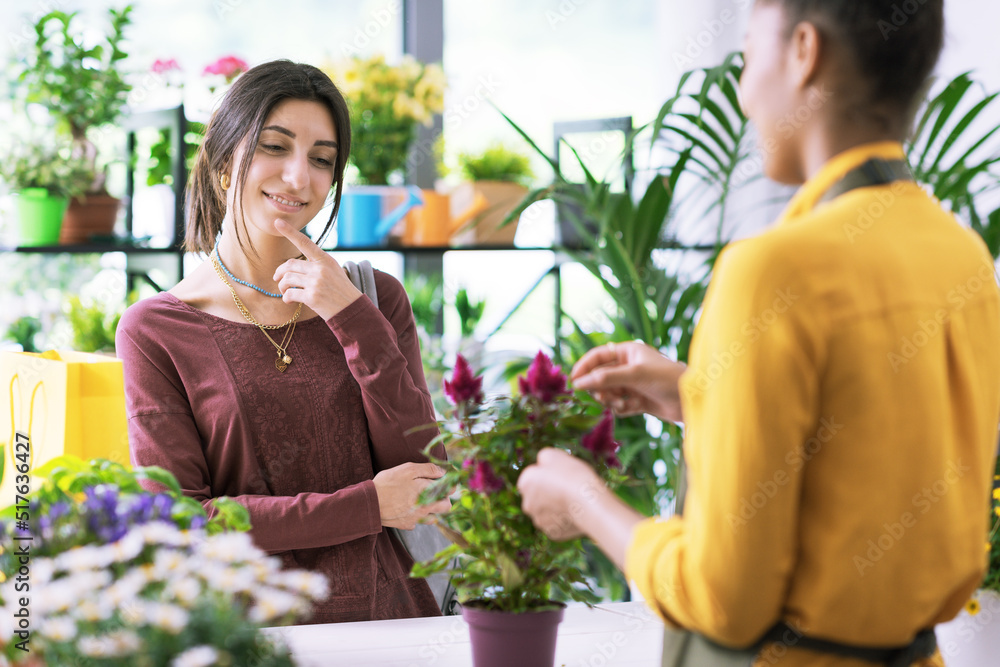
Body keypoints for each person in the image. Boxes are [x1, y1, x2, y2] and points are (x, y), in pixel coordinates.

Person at [518, 1, 1000, 665]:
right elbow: (872, 450)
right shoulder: (962, 256)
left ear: (804, 51)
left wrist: (583, 499)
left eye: (747, 54)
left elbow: (724, 596)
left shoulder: (771, 271)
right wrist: (701, 394)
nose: (742, 92)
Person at [116, 60, 450, 624]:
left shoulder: (375, 299)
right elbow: (181, 522)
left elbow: (424, 473)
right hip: (243, 637)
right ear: (224, 167)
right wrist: (367, 506)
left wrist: (349, 314)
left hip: (390, 625)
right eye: (275, 147)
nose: (300, 176)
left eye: (323, 159)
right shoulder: (155, 331)